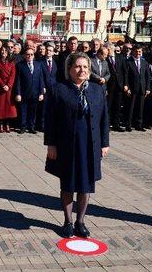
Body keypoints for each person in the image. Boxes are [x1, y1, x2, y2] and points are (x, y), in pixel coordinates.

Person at [45, 52, 109, 238]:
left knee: (85, 184)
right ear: (69, 69)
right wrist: (51, 144)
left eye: (85, 67)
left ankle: (80, 221)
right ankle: (68, 222)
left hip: (90, 144)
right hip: (67, 145)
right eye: (78, 67)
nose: (82, 70)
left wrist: (104, 143)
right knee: (68, 183)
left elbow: (105, 118)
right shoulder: (58, 89)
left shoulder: (97, 90)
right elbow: (50, 120)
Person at [14, 48, 45, 134]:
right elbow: (18, 80)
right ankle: (23, 127)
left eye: (31, 54)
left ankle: (31, 127)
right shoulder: (20, 65)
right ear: (24, 55)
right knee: (23, 111)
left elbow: (41, 79)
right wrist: (18, 93)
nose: (29, 56)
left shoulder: (38, 65)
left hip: (35, 92)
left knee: (33, 111)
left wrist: (41, 92)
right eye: (28, 54)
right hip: (24, 92)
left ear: (34, 55)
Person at [123, 45, 151, 132]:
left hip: (142, 88)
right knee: (131, 107)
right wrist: (127, 86)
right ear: (133, 52)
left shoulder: (144, 63)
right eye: (136, 51)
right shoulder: (128, 62)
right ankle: (128, 125)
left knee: (140, 107)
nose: (138, 53)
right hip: (132, 88)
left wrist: (148, 88)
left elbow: (147, 76)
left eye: (139, 52)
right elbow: (126, 75)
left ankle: (139, 125)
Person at [0, 46, 17, 133]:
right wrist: (2, 85)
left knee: (9, 107)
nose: (3, 52)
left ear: (8, 53)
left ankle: (7, 124)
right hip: (0, 87)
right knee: (0, 107)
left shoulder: (11, 63)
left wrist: (9, 85)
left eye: (5, 51)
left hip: (9, 88)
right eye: (2, 50)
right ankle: (0, 124)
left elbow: (13, 75)